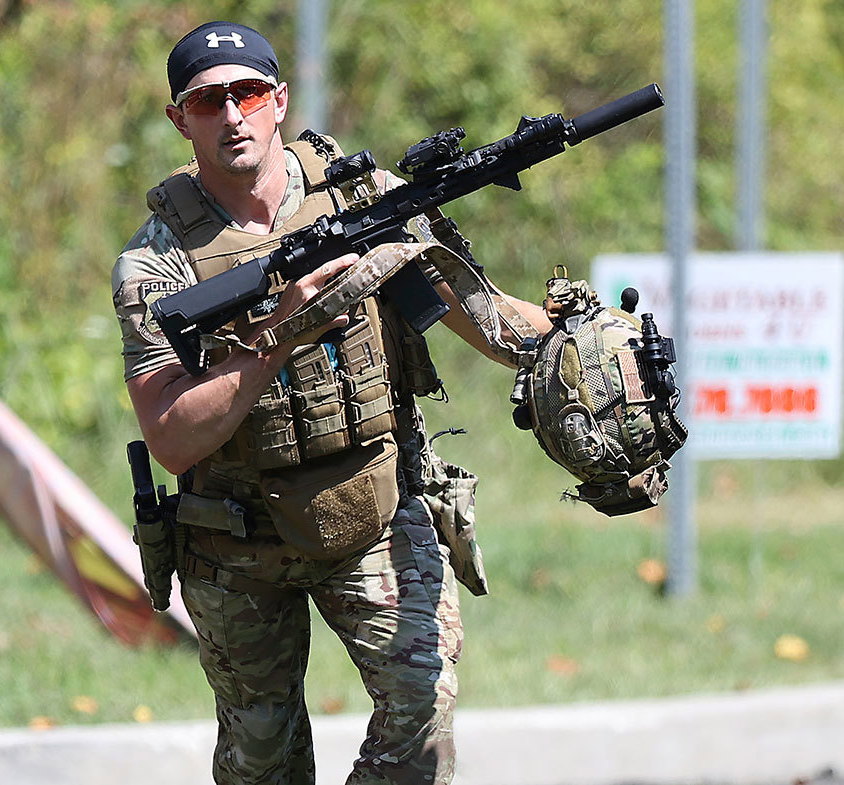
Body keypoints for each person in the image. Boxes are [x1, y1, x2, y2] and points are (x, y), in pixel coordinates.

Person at [112, 21, 551, 785]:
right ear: (181, 120)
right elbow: (173, 440)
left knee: (422, 718)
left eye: (248, 93)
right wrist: (281, 330)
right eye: (208, 101)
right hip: (234, 540)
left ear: (278, 100)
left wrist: (575, 333)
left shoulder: (361, 197)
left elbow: (481, 315)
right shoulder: (157, 264)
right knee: (262, 761)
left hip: (373, 506)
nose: (233, 115)